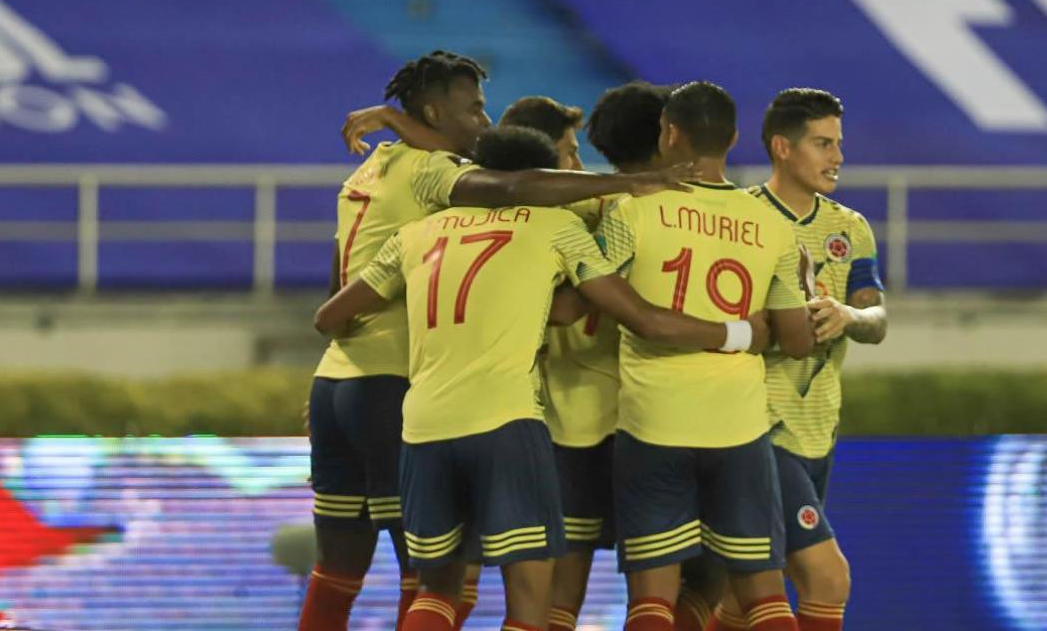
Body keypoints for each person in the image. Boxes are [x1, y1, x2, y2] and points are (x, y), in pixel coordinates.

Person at [313, 126, 770, 631]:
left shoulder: (418, 233)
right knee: (531, 601)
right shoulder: (554, 226)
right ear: (542, 179)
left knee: (437, 591)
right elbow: (637, 318)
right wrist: (741, 332)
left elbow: (329, 317)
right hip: (506, 422)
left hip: (423, 428)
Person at [595, 82, 815, 631]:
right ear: (735, 138)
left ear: (669, 134)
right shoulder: (773, 225)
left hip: (654, 423)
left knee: (651, 603)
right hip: (738, 427)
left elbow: (590, 302)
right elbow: (796, 339)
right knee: (765, 596)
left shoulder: (633, 212)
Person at [706, 88, 888, 631]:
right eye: (822, 144)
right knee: (826, 577)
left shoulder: (850, 228)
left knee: (744, 598)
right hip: (758, 425)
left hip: (817, 427)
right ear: (782, 148)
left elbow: (876, 320)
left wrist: (848, 317)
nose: (836, 157)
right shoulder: (738, 220)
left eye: (838, 144)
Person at [538, 82, 676, 631]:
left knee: (557, 599)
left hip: (565, 418)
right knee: (662, 591)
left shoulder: (563, 208)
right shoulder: (668, 216)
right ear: (670, 136)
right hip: (647, 420)